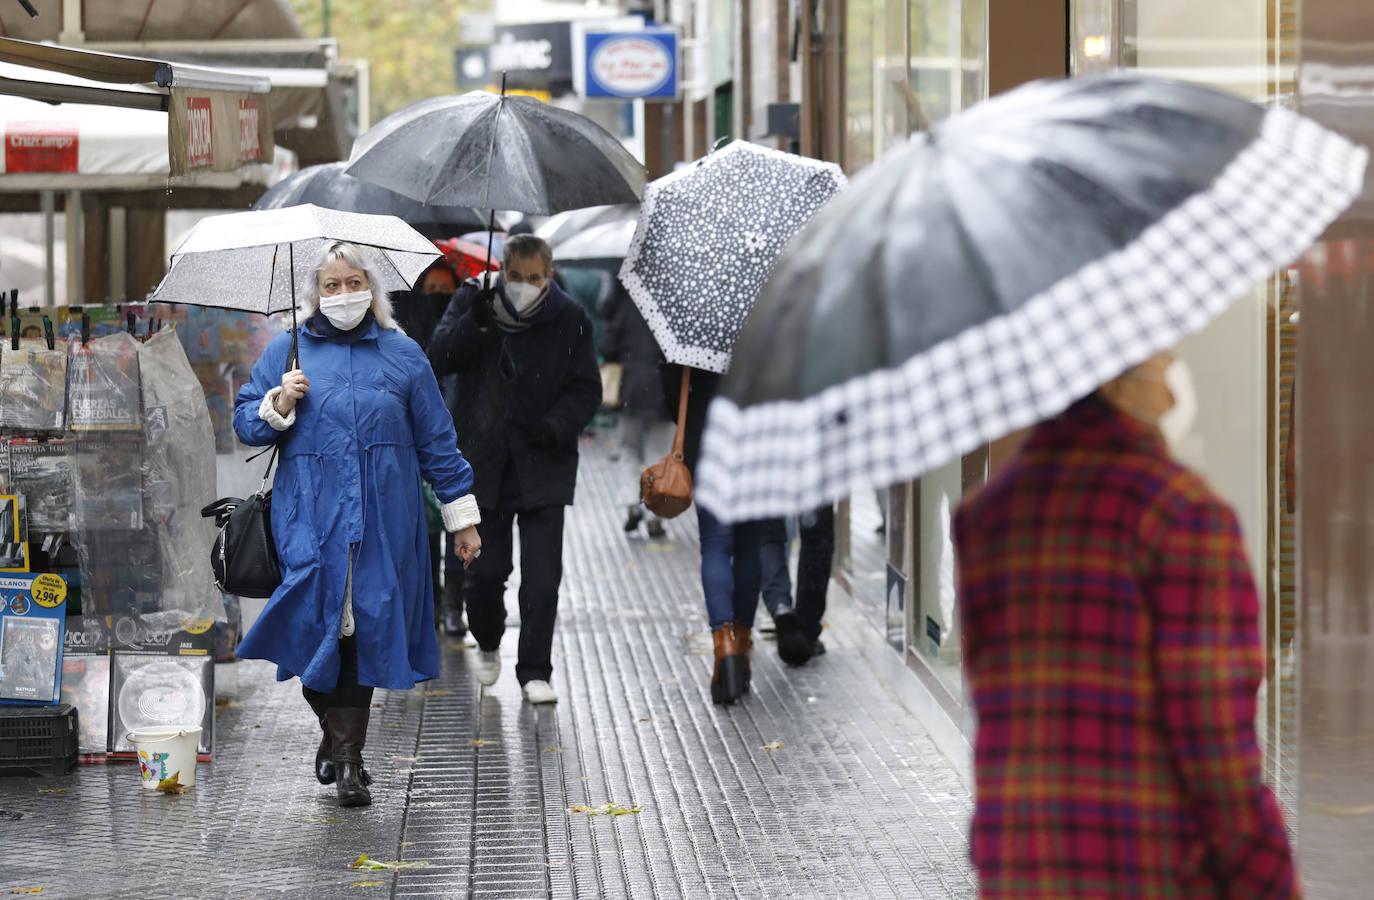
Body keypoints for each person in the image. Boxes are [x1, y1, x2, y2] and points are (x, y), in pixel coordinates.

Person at [953, 353, 1298, 897]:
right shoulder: (1182, 514)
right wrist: (1269, 877)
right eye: (1160, 360)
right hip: (1143, 862)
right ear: (1113, 381)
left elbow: (995, 700)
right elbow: (1215, 742)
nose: (1173, 379)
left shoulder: (987, 516)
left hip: (1020, 862)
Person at [233, 242, 482, 808]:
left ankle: (347, 760)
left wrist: (462, 519)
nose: (343, 294)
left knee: (362, 628)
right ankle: (336, 733)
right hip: (309, 519)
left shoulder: (403, 355)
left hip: (383, 520)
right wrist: (277, 401)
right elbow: (246, 422)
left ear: (371, 288)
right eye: (330, 285)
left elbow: (438, 442)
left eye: (352, 283)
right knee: (313, 626)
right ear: (314, 295)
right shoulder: (287, 350)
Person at [427, 234, 600, 705]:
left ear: (549, 276)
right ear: (502, 271)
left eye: (535, 278)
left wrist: (556, 424)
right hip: (484, 462)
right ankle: (486, 638)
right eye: (516, 277)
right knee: (485, 573)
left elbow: (588, 389)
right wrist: (474, 322)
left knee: (543, 579)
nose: (524, 286)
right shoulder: (473, 299)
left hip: (544, 462)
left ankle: (535, 671)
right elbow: (438, 356)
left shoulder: (570, 318)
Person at [663, 364, 761, 705]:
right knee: (751, 546)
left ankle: (725, 645)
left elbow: (672, 396)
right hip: (758, 445)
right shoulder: (770, 319)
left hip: (707, 443)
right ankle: (744, 644)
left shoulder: (696, 326)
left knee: (716, 544)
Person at [601, 280, 670, 538]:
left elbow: (609, 347)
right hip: (664, 390)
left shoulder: (626, 299)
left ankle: (632, 503)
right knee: (659, 453)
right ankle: (655, 514)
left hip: (630, 388)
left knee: (629, 449)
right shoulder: (675, 304)